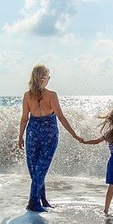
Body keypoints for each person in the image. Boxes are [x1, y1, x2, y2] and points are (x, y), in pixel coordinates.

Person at [18, 64, 82, 212]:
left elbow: (24, 118)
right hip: (49, 132)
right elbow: (60, 116)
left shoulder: (27, 95)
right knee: (39, 169)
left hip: (33, 132)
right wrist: (74, 134)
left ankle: (42, 199)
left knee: (36, 169)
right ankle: (33, 202)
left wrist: (20, 136)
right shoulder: (51, 95)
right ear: (47, 78)